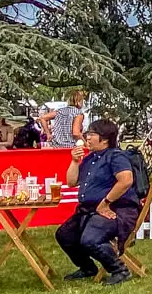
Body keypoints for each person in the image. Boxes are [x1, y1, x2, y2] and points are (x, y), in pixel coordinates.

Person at [56, 119, 139, 285]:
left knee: (91, 239)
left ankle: (119, 270)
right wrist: (74, 161)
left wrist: (106, 202)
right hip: (90, 210)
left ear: (105, 139)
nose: (87, 137)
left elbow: (126, 180)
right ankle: (88, 268)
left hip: (117, 209)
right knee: (64, 235)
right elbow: (71, 182)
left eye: (91, 134)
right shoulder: (90, 158)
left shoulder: (116, 156)